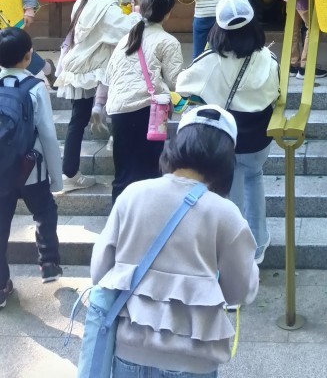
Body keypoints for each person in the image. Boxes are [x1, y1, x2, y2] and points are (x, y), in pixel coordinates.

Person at [90, 104, 259, 378]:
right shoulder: (226, 214)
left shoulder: (132, 195)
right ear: (226, 158)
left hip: (130, 350)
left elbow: (99, 272)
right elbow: (239, 292)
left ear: (176, 145)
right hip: (194, 359)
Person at [175, 0, 279, 264]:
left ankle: (236, 251)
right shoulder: (268, 58)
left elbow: (182, 84)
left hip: (228, 139)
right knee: (254, 177)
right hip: (260, 137)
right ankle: (258, 243)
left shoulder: (210, 61)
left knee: (231, 193)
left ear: (218, 30)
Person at [56, 0, 140, 192]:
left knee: (77, 120)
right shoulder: (106, 6)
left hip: (79, 68)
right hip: (95, 69)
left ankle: (69, 173)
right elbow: (125, 31)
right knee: (113, 113)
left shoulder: (82, 1)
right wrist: (137, 14)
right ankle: (115, 169)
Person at [0, 27, 63, 305]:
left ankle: (1, 288)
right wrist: (57, 178)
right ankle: (49, 264)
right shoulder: (36, 87)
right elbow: (47, 134)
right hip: (31, 170)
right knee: (45, 212)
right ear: (29, 55)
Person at [105, 0, 183, 204]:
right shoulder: (168, 41)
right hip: (149, 111)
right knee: (150, 173)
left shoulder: (127, 38)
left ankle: (120, 220)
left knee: (123, 173)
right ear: (168, 13)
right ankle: (148, 220)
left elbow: (109, 74)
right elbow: (175, 81)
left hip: (119, 109)